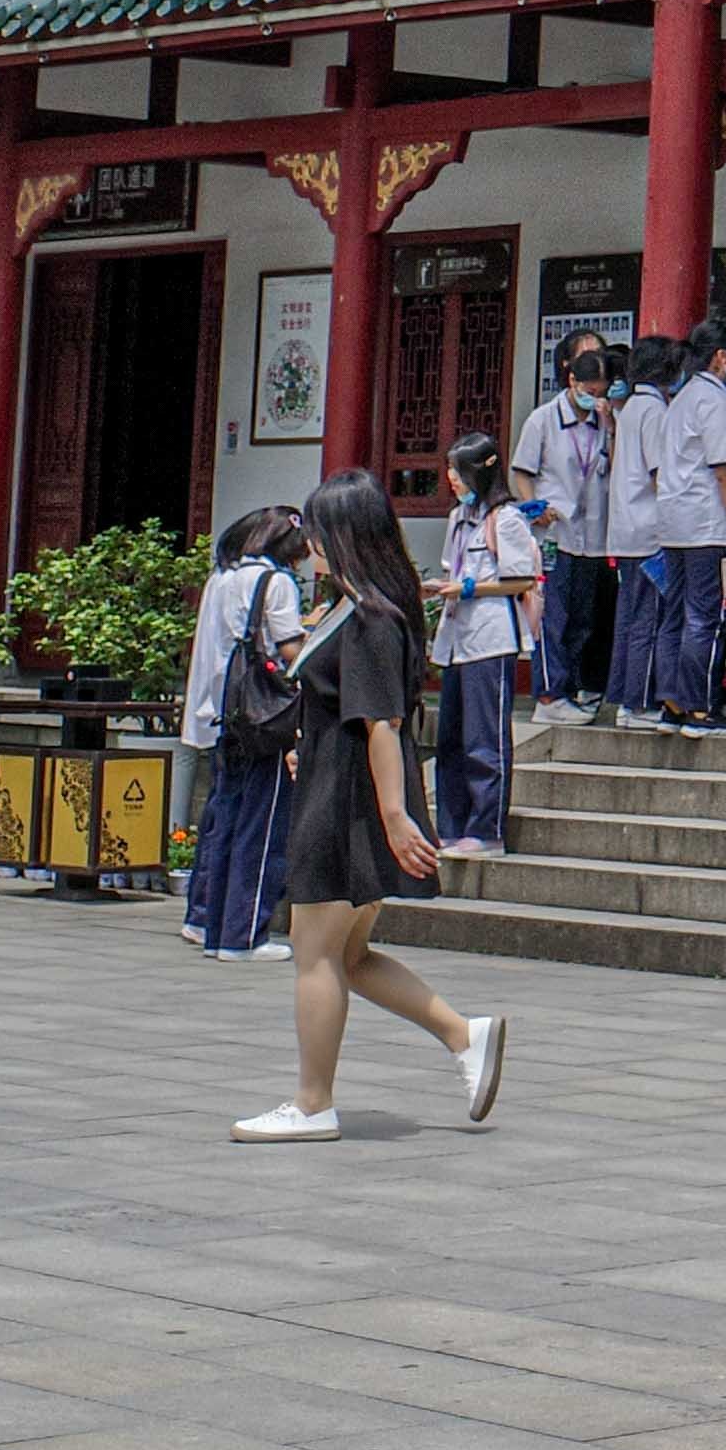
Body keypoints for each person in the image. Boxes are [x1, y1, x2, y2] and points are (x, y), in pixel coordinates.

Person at [238, 475, 507, 1146]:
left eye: (318, 531)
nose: (310, 545)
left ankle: (311, 1103)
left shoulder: (369, 618)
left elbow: (382, 723)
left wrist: (393, 815)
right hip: (344, 787)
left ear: (346, 536)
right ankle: (462, 1034)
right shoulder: (357, 608)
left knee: (316, 956)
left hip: (348, 800)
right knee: (350, 956)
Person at [177, 507, 306, 959]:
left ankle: (205, 918)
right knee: (263, 820)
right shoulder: (277, 583)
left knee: (222, 819)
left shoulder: (223, 577)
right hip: (261, 719)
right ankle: (244, 931)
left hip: (220, 713)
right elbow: (289, 648)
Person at [430, 433, 542, 854]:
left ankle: (487, 828)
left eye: (458, 471)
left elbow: (520, 579)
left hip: (491, 637)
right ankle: (452, 824)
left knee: (485, 737)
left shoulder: (506, 518)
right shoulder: (459, 517)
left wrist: (469, 587)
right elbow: (451, 567)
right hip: (457, 635)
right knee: (451, 738)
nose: (452, 479)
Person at [517, 335, 628, 721]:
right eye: (589, 391)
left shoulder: (603, 422)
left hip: (594, 537)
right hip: (556, 534)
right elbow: (522, 472)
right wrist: (534, 508)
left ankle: (571, 688)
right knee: (554, 617)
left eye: (601, 392)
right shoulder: (543, 420)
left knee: (583, 621)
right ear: (572, 383)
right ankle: (548, 696)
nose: (594, 399)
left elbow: (616, 468)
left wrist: (611, 423)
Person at [636, 327, 726, 732]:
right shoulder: (715, 401)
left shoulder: (679, 400)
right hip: (705, 522)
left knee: (674, 614)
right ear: (719, 355)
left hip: (674, 520)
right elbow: (725, 469)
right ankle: (698, 706)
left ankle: (671, 704)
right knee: (703, 617)